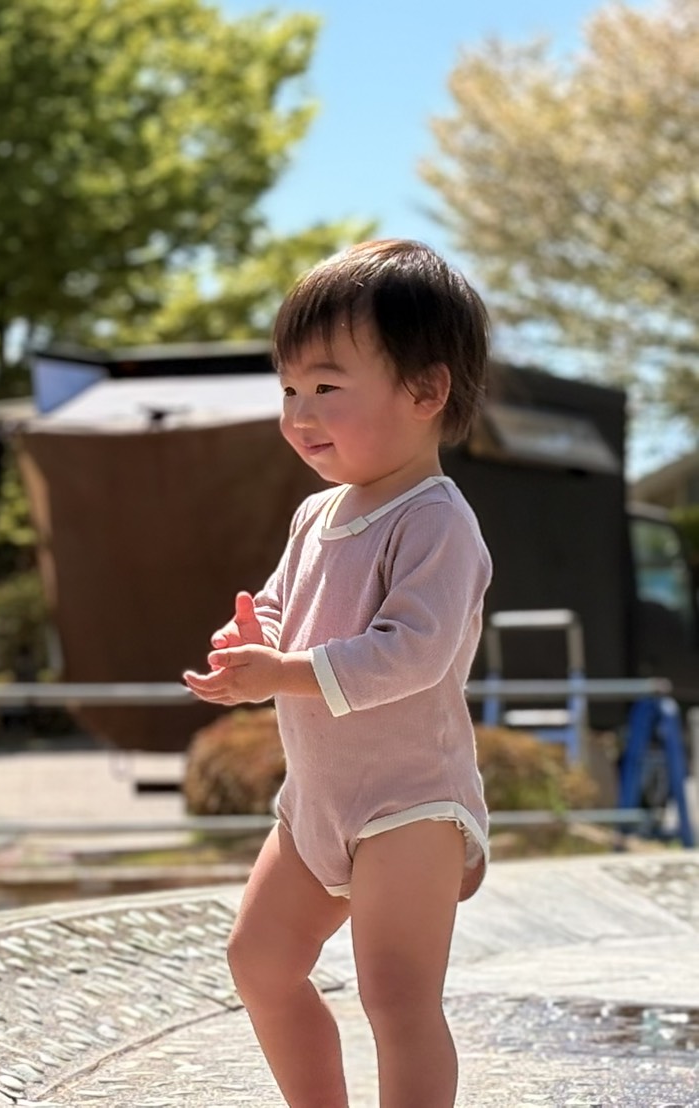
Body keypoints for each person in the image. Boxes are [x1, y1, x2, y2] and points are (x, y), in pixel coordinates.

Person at [183, 239, 492, 1108]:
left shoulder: (436, 521)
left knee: (397, 997)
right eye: (288, 388)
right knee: (259, 964)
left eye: (326, 387)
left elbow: (413, 650)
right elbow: (285, 607)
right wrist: (252, 641)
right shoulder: (317, 514)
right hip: (315, 801)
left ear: (426, 392)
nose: (298, 412)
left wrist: (281, 671)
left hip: (409, 804)